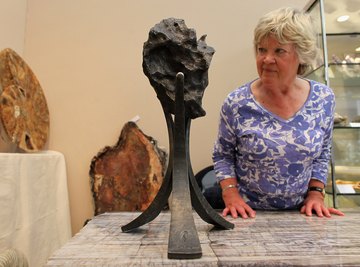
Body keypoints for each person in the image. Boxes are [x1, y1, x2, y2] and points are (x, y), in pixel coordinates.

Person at [212, 7, 344, 219]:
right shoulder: (237, 103)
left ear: (301, 55)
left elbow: (322, 153)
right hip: (246, 214)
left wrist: (316, 194)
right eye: (261, 49)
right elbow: (222, 155)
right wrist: (231, 195)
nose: (266, 59)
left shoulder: (323, 99)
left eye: (279, 51)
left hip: (301, 214)